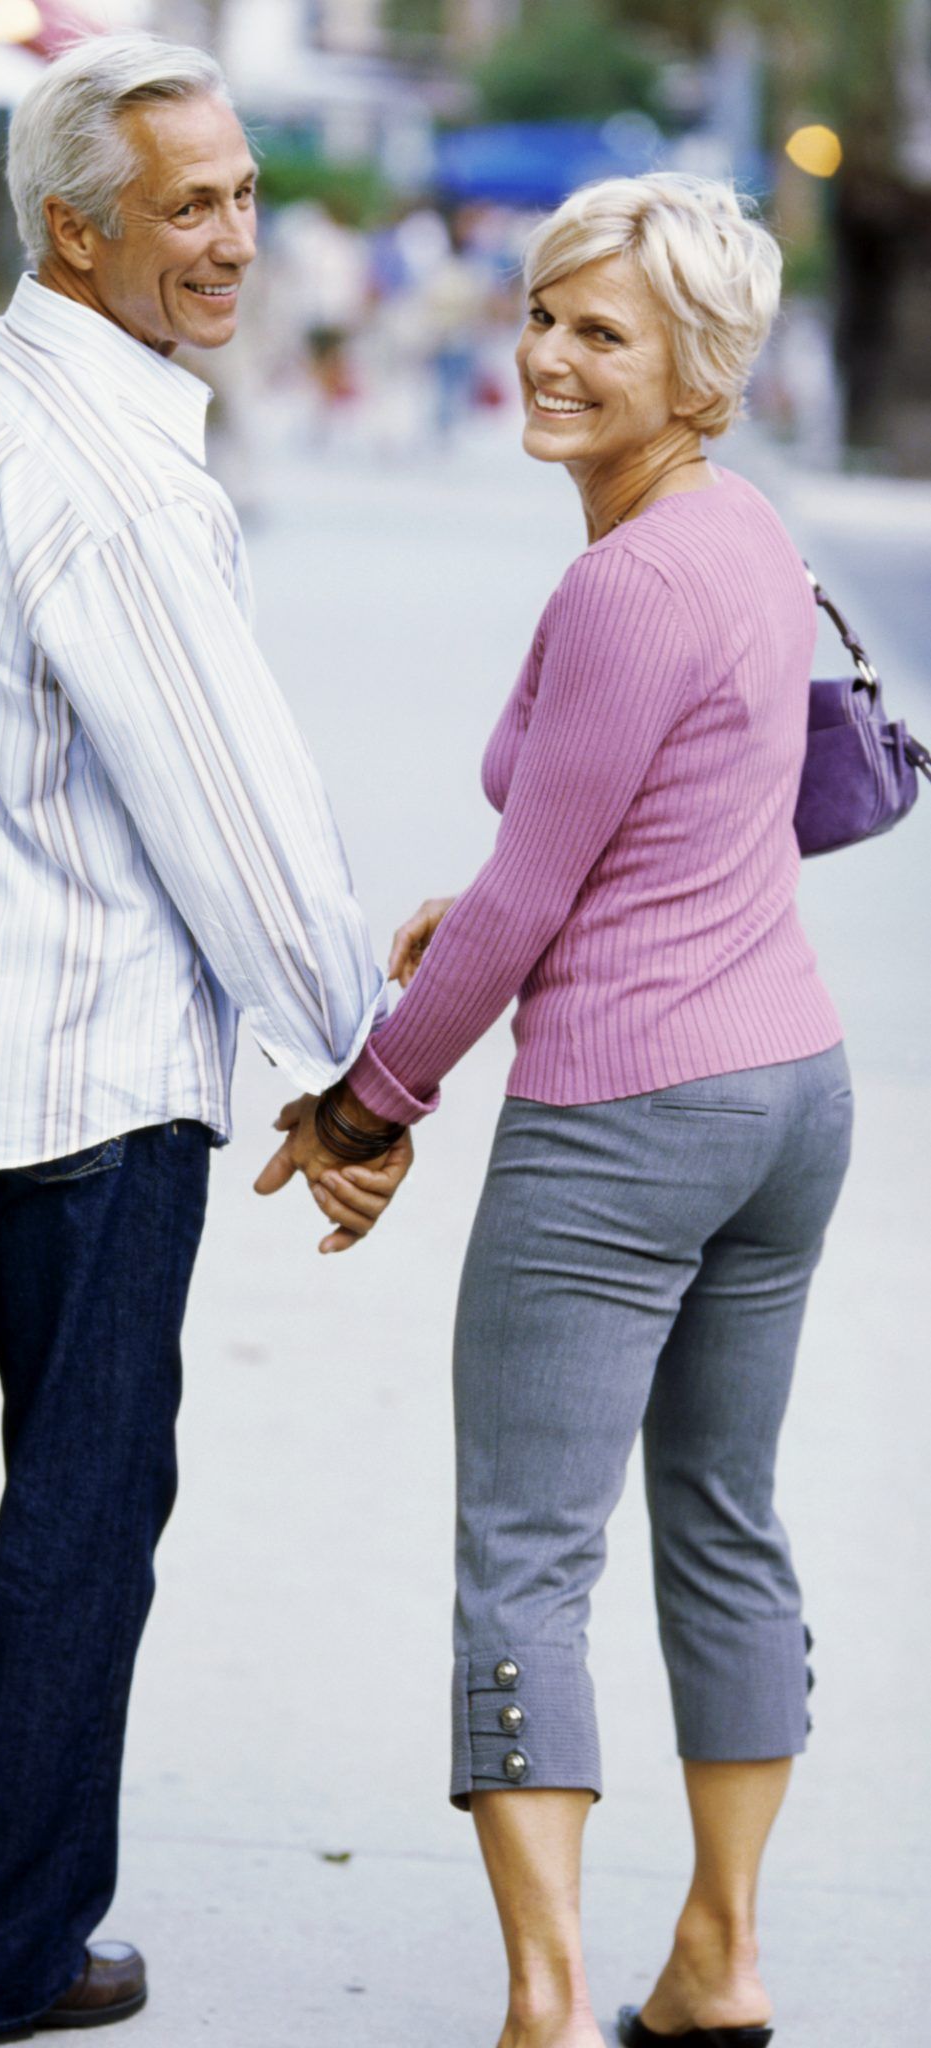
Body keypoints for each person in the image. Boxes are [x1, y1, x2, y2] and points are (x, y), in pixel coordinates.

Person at [0, 35, 411, 2048]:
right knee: (77, 1507)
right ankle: (16, 1951)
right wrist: (359, 1061)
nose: (232, 239)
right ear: (76, 227)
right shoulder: (114, 466)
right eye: (189, 206)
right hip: (85, 1074)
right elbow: (233, 800)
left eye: (240, 195)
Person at [259, 174, 849, 2048]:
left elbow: (526, 909)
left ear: (701, 371)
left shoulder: (624, 580)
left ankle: (542, 2001)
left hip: (632, 1110)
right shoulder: (744, 535)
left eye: (601, 331)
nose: (545, 356)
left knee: (525, 1544)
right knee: (724, 1518)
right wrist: (494, 898)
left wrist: (370, 1101)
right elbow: (627, 833)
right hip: (787, 1092)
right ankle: (719, 1960)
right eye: (539, 315)